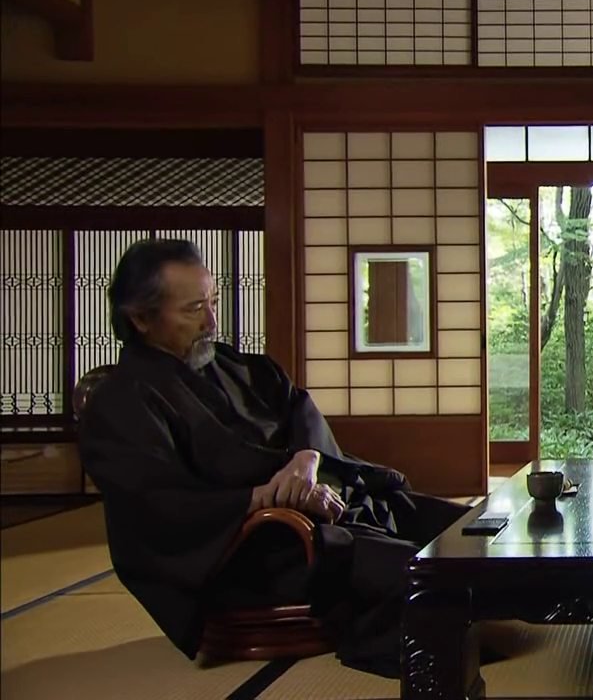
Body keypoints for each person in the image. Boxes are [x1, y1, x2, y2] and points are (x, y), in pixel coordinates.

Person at [78, 239, 468, 678]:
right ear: (141, 318)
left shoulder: (233, 366)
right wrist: (270, 497)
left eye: (213, 302)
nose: (211, 321)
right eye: (194, 309)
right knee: (430, 579)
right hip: (260, 554)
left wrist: (307, 460)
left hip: (331, 507)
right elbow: (158, 505)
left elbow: (297, 404)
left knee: (471, 535)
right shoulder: (122, 402)